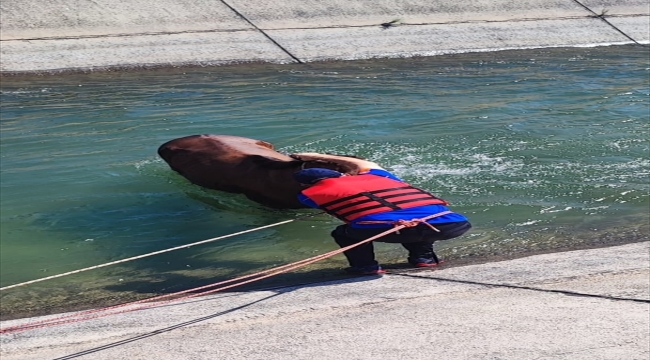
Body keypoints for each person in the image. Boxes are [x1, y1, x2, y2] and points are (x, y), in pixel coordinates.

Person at [293, 167, 471, 275]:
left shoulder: (307, 195)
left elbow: (333, 207)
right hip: (451, 224)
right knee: (415, 221)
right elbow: (366, 166)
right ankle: (424, 259)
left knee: (343, 233)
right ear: (341, 175)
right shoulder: (380, 176)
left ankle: (366, 267)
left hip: (389, 229)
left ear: (306, 185)